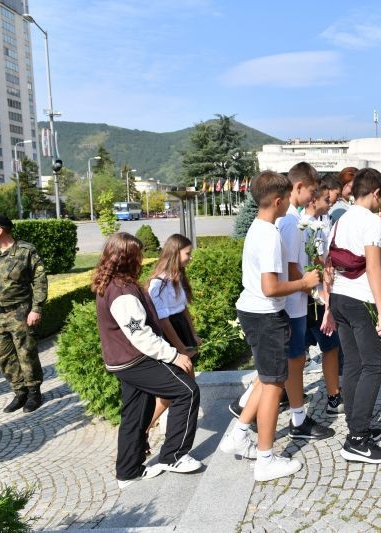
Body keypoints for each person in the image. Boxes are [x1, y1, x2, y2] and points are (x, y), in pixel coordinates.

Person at [220, 171, 321, 482]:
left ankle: (238, 435)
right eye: (287, 199)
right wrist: (304, 282)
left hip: (253, 312)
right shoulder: (270, 235)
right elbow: (271, 288)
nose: (289, 204)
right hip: (266, 316)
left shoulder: (258, 228)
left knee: (266, 380)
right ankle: (265, 459)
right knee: (274, 386)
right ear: (278, 201)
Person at [92, 232, 202, 489]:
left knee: (135, 414)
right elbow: (140, 335)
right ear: (128, 258)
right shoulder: (122, 292)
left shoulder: (113, 283)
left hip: (124, 360)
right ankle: (174, 456)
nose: (142, 259)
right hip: (135, 360)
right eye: (138, 255)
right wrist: (175, 355)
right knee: (186, 391)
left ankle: (128, 472)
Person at [326, 167, 381, 463]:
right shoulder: (371, 221)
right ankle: (357, 439)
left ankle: (355, 424)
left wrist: (328, 307)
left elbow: (328, 262)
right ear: (376, 193)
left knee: (353, 363)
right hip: (360, 299)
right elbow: (373, 268)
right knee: (375, 365)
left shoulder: (341, 219)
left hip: (340, 298)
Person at [274, 162, 333, 439]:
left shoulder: (293, 218)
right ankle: (246, 412)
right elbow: (290, 267)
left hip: (296, 302)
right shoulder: (289, 221)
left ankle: (297, 418)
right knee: (290, 362)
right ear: (298, 186)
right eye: (311, 190)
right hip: (292, 303)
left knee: (295, 359)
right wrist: (313, 290)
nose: (313, 197)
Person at [0, 213, 47, 413]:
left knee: (26, 354)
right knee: (3, 356)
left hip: (20, 312)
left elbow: (40, 281)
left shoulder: (26, 251)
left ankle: (34, 392)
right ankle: (20, 392)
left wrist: (36, 308)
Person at [145, 234, 201, 438]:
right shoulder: (158, 284)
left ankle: (183, 430)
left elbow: (183, 309)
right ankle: (144, 430)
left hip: (181, 331)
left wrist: (193, 334)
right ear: (175, 253)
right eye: (188, 253)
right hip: (171, 337)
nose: (190, 257)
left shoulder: (177, 277)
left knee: (189, 387)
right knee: (178, 389)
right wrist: (180, 349)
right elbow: (164, 321)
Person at [302, 183, 344, 415]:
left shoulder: (312, 222)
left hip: (308, 297)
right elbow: (319, 261)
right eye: (326, 200)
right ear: (313, 199)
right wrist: (328, 301)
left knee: (300, 351)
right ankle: (333, 397)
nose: (330, 203)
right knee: (330, 347)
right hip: (315, 298)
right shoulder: (308, 226)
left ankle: (290, 394)